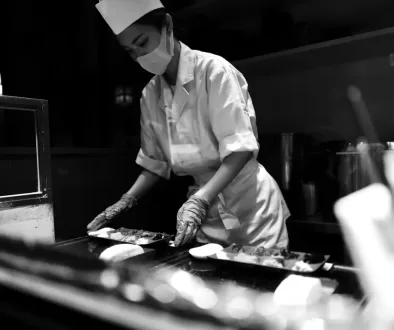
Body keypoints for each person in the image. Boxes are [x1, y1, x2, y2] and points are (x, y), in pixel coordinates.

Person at [88, 0, 290, 248]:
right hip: (207, 216)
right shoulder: (150, 94)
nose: (140, 56)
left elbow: (240, 149)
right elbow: (156, 162)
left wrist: (200, 200)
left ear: (167, 25)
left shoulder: (214, 71)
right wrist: (125, 200)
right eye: (131, 51)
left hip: (252, 210)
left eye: (142, 43)